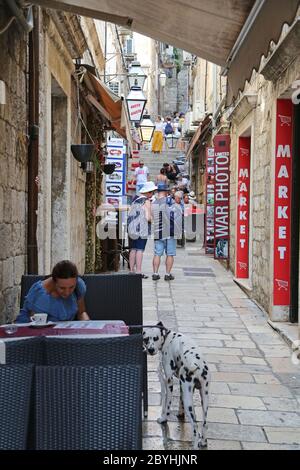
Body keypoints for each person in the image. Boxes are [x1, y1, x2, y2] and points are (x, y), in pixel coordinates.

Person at [16, 260, 90, 323]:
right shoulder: (40, 294)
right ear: (54, 282)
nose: (67, 292)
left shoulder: (79, 286)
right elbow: (36, 324)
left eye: (71, 287)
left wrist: (87, 325)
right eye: (62, 288)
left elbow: (81, 312)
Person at [151, 183, 182, 281]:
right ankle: (167, 274)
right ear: (165, 191)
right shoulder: (170, 201)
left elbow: (153, 217)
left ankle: (155, 273)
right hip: (169, 232)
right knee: (170, 254)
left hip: (158, 231)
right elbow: (176, 214)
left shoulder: (153, 203)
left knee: (157, 254)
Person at [128, 181, 157, 279]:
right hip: (141, 229)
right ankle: (139, 271)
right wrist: (152, 220)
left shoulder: (135, 199)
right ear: (148, 192)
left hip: (131, 228)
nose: (152, 194)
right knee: (140, 249)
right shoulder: (146, 201)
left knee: (132, 249)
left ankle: (131, 270)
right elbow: (148, 217)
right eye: (152, 192)